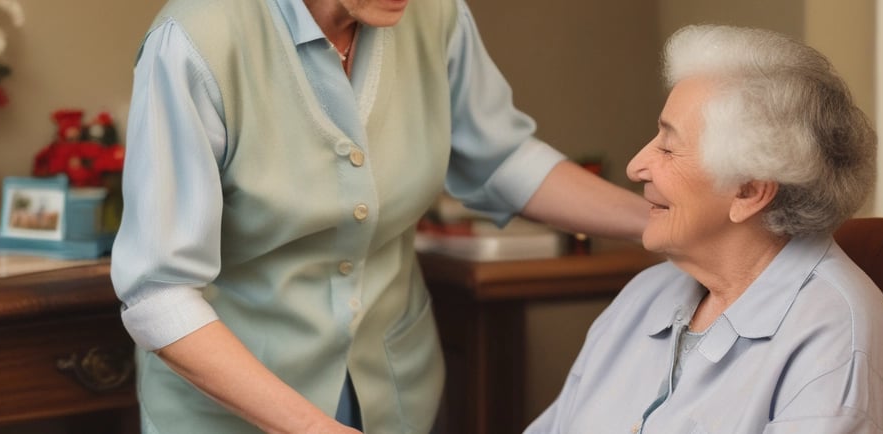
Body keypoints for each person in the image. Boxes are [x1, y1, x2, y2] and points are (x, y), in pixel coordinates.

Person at [109, 0, 649, 433]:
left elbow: (502, 157)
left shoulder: (436, 15)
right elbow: (160, 296)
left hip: (395, 394)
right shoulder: (194, 40)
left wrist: (658, 222)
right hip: (234, 409)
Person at [524, 24, 883, 434]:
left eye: (667, 146)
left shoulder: (834, 341)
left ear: (749, 192)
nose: (635, 165)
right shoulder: (643, 296)